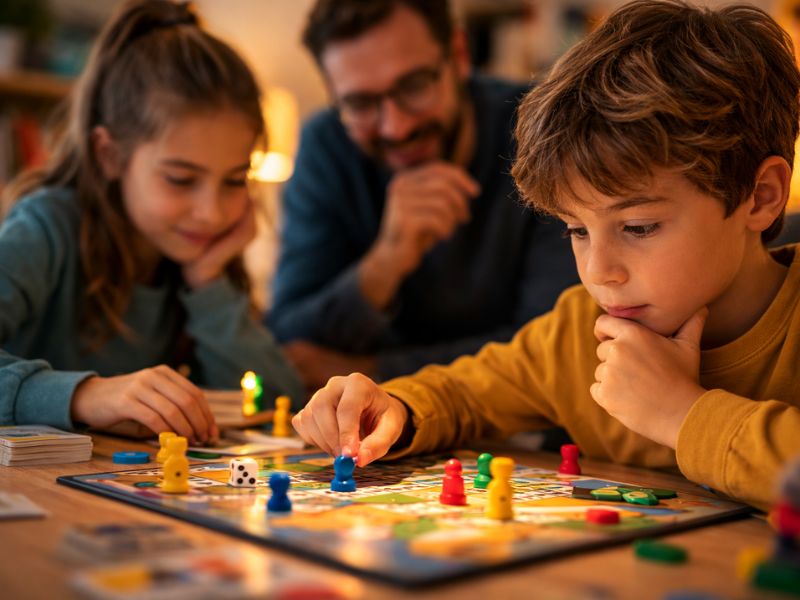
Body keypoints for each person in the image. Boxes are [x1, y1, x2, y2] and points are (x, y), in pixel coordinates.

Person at [291, 0, 800, 511]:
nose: (598, 272)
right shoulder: (575, 333)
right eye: (577, 230)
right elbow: (463, 392)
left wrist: (682, 415)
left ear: (761, 196)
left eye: (639, 226)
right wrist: (393, 406)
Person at [0, 0, 303, 444]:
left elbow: (278, 403)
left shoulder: (191, 260)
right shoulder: (45, 228)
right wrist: (85, 395)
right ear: (110, 156)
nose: (212, 213)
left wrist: (209, 283)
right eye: (181, 180)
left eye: (236, 180)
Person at [268, 0, 578, 389]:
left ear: (459, 56)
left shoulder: (545, 132)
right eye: (361, 103)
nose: (395, 127)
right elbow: (289, 344)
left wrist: (370, 372)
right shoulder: (325, 146)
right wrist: (385, 262)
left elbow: (556, 346)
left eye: (414, 85)